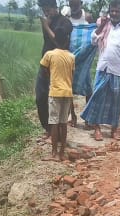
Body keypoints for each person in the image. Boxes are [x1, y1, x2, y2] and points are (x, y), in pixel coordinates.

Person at [80, 0, 120, 141]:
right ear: (109, 12)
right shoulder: (104, 25)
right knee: (97, 97)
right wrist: (102, 25)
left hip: (118, 70)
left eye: (117, 11)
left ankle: (114, 130)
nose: (114, 13)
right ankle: (97, 129)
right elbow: (93, 40)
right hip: (103, 68)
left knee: (116, 102)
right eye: (112, 11)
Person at [35, 0, 73, 141]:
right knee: (41, 97)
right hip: (45, 64)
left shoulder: (65, 23)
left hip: (59, 67)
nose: (46, 12)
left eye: (48, 9)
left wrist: (46, 26)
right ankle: (48, 129)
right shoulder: (48, 21)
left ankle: (58, 131)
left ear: (54, 7)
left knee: (58, 100)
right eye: (44, 10)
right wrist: (46, 24)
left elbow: (58, 41)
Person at [42, 27, 76, 159]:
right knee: (63, 123)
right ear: (67, 41)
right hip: (67, 92)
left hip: (55, 92)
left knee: (54, 123)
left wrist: (51, 78)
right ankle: (62, 153)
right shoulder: (71, 57)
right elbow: (72, 75)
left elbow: (44, 69)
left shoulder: (49, 54)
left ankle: (54, 152)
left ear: (55, 40)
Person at [66, 0, 98, 126]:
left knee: (88, 88)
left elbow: (94, 34)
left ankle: (88, 118)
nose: (73, 7)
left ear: (81, 3)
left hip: (84, 58)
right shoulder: (67, 17)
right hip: (70, 56)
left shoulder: (88, 17)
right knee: (68, 88)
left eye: (76, 4)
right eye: (71, 5)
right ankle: (72, 116)